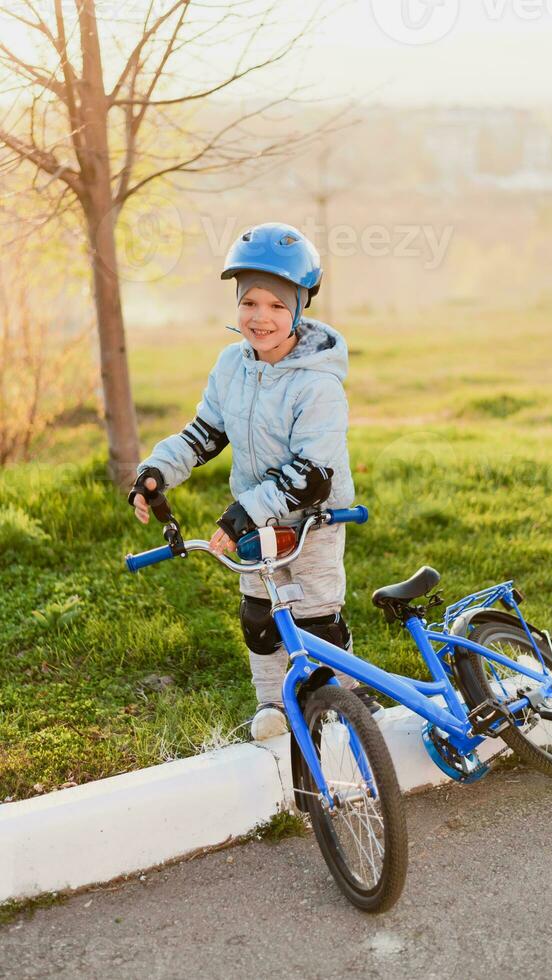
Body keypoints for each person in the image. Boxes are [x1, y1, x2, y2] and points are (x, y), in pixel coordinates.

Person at [128, 222, 381, 739]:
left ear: (299, 308)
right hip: (254, 524)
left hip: (313, 519)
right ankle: (274, 705)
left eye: (275, 305)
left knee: (314, 618)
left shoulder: (318, 383)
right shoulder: (232, 366)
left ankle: (342, 701)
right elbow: (204, 433)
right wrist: (156, 471)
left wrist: (243, 510)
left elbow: (313, 475)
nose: (259, 317)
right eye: (249, 303)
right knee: (261, 618)